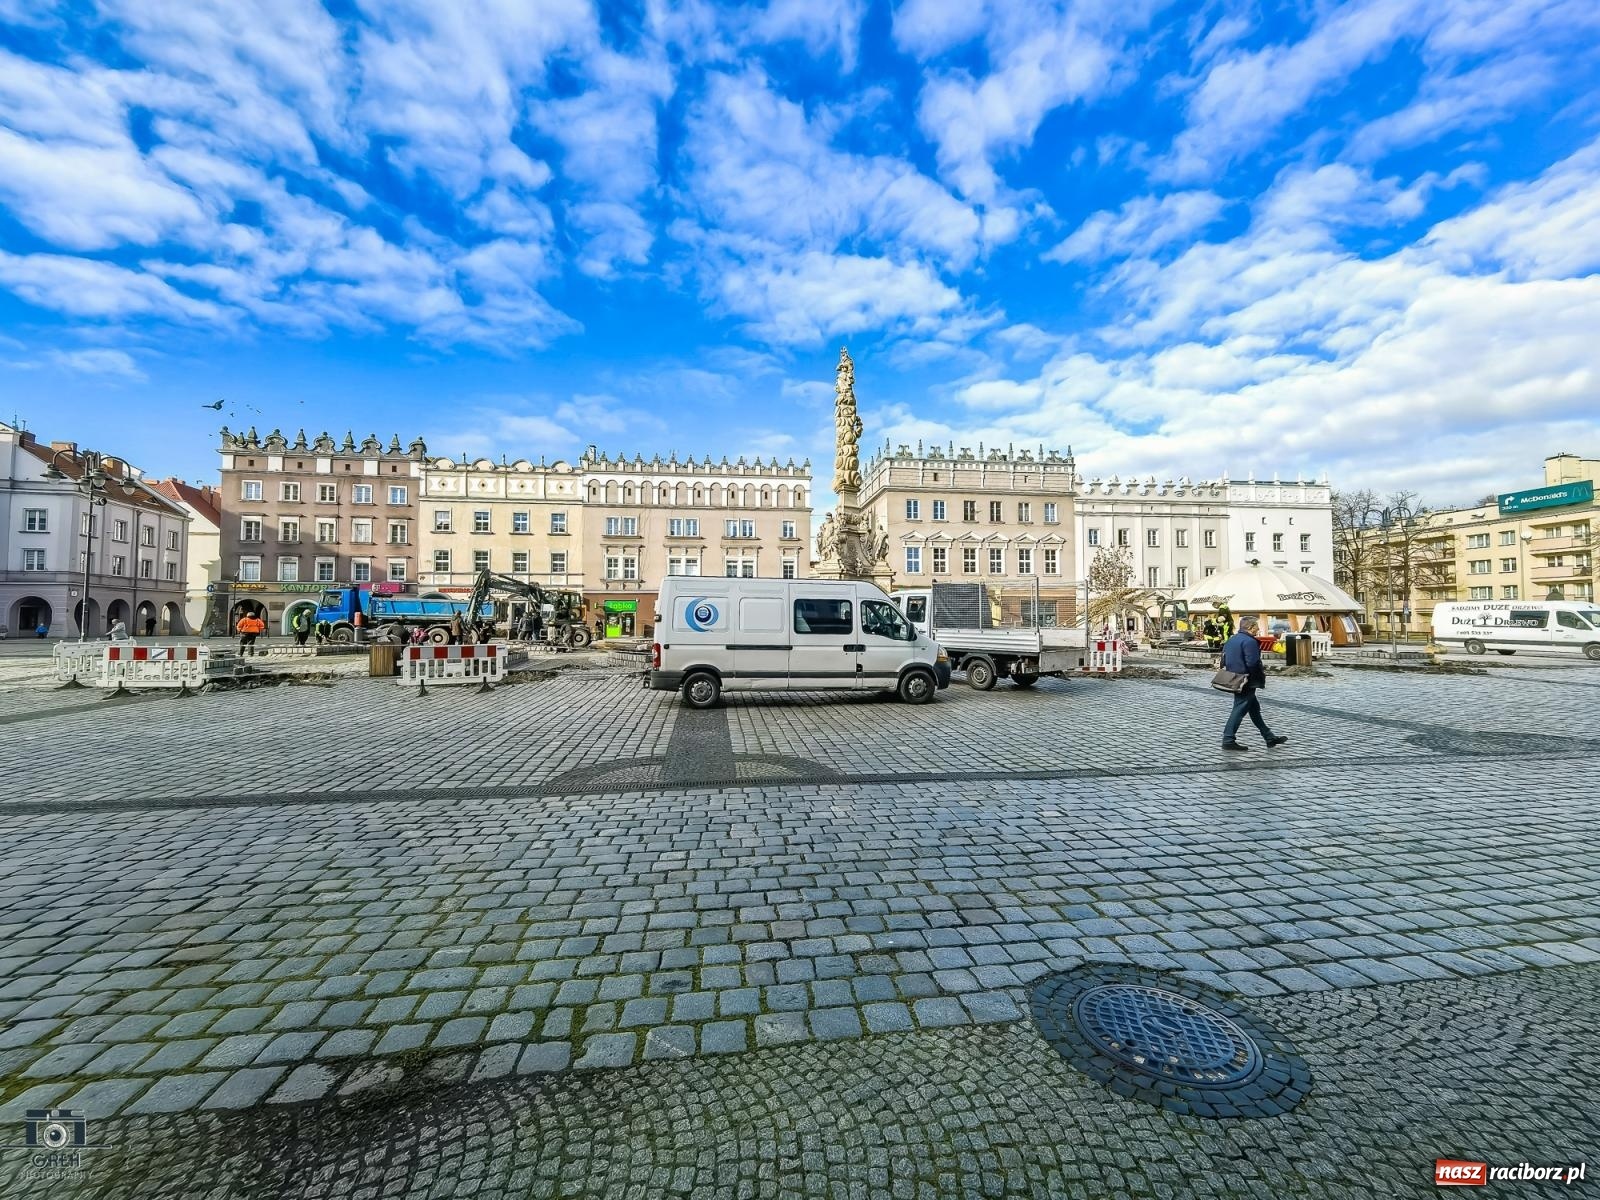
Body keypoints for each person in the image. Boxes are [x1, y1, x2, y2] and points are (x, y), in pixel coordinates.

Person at [1221, 616, 1288, 752]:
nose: (1258, 629)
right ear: (1250, 627)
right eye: (1257, 626)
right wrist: (1258, 678)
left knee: (1254, 709)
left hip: (1234, 678)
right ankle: (1228, 739)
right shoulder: (1250, 641)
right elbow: (1253, 663)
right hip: (1246, 680)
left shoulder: (1232, 640)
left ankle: (1269, 737)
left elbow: (1224, 659)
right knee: (1239, 709)